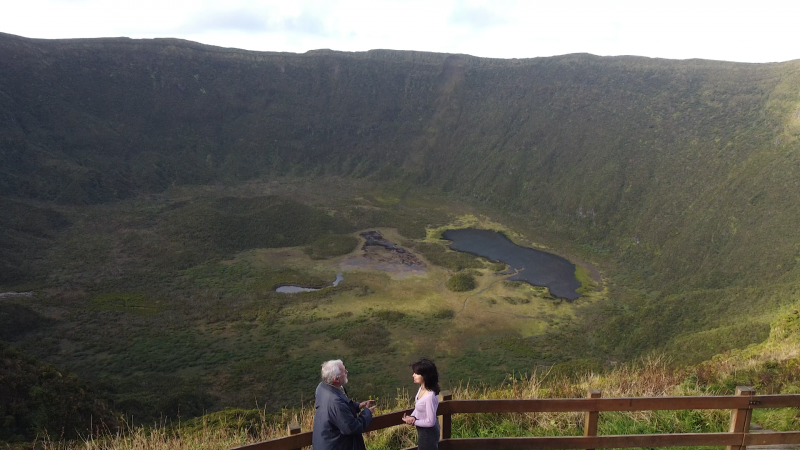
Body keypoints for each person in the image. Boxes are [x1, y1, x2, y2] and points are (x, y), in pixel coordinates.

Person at [313, 359, 376, 450]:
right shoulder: (335, 402)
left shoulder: (322, 388)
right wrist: (367, 413)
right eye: (344, 371)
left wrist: (357, 406)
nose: (347, 372)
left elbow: (340, 410)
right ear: (336, 379)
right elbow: (352, 428)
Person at [402, 358, 441, 450]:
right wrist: (412, 417)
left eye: (417, 373)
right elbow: (419, 407)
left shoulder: (429, 396)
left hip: (428, 432)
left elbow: (431, 422)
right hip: (424, 430)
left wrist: (414, 422)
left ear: (425, 376)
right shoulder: (422, 387)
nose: (413, 375)